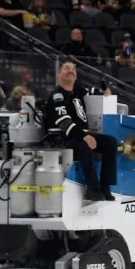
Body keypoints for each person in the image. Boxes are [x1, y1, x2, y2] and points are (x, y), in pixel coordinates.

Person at [42, 61, 117, 201]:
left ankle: (105, 186)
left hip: (79, 136)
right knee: (84, 144)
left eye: (73, 69)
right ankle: (93, 189)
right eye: (67, 68)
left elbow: (92, 91)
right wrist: (85, 136)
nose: (71, 70)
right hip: (62, 139)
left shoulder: (78, 90)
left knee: (111, 142)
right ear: (59, 75)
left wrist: (104, 91)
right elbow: (64, 123)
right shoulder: (57, 96)